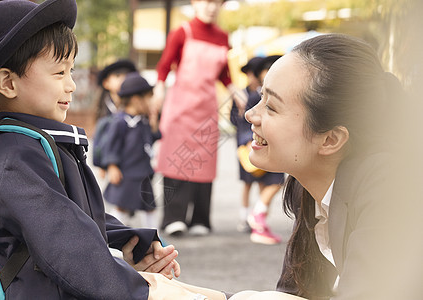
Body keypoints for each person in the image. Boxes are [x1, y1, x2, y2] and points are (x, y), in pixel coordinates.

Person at [139, 33, 423, 299]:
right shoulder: (309, 189)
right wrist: (164, 288)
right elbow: (292, 295)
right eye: (260, 97)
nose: (251, 115)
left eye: (271, 107)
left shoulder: (391, 192)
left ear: (331, 139)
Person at [0, 0, 180, 298]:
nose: (71, 85)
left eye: (71, 71)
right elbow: (65, 243)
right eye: (59, 73)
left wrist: (133, 240)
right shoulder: (17, 154)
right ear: (7, 82)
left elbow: (77, 214)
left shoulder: (36, 142)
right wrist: (141, 289)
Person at [153, 0, 247, 236]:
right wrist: (157, 92)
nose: (212, 7)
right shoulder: (182, 32)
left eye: (217, 3)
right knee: (178, 158)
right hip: (180, 107)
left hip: (207, 108)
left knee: (204, 161)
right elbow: (164, 66)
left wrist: (236, 91)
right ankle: (174, 218)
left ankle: (200, 219)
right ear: (195, 3)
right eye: (207, 2)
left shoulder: (223, 37)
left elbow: (224, 74)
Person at [230, 55, 285, 245]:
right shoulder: (252, 96)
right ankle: (253, 216)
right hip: (252, 146)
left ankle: (259, 221)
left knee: (268, 182)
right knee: (265, 181)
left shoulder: (264, 94)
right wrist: (246, 142)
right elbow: (241, 121)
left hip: (262, 144)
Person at [102, 72, 161, 228]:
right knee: (122, 205)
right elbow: (111, 145)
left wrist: (153, 123)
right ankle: (114, 234)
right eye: (149, 97)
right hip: (127, 173)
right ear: (136, 99)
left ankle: (153, 236)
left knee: (150, 207)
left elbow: (153, 138)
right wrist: (112, 165)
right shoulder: (120, 122)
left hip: (143, 172)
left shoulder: (144, 121)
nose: (151, 101)